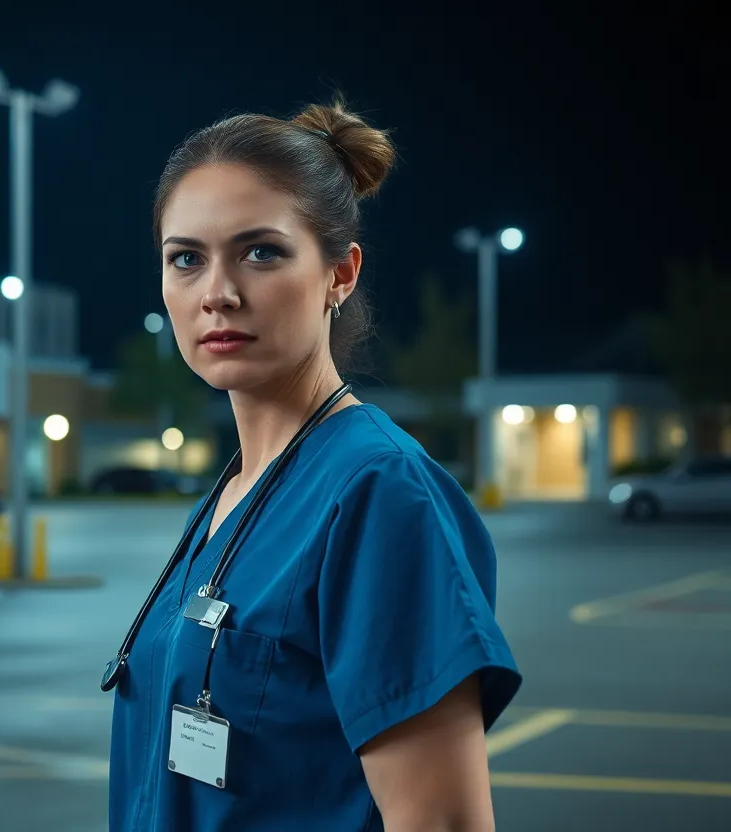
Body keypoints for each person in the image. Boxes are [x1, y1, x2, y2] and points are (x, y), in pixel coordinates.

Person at [104, 98, 522, 832]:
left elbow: (444, 821)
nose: (217, 294)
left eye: (261, 252)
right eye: (186, 259)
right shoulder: (238, 491)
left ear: (340, 273)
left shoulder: (378, 492)